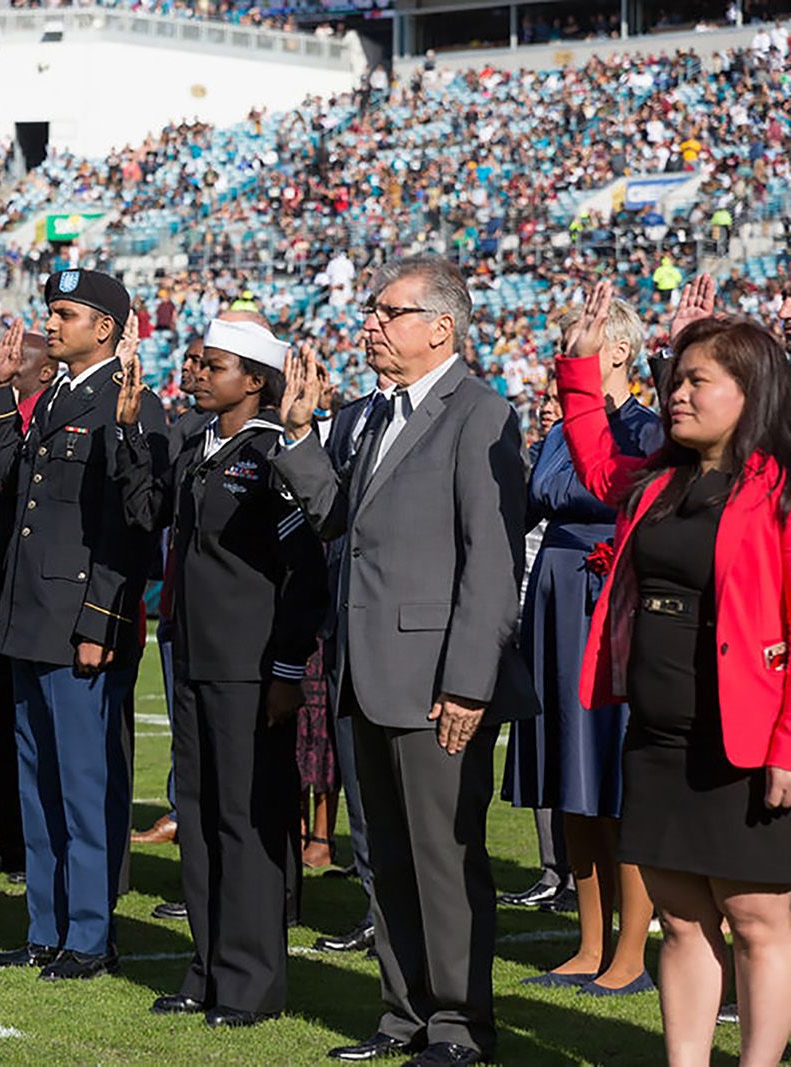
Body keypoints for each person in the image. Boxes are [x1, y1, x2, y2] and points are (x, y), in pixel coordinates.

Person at [272, 255, 538, 1067]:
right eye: (372, 311)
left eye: (388, 313)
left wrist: (466, 682)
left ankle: (458, 1025)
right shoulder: (377, 413)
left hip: (434, 685)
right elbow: (341, 526)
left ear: (440, 327)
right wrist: (296, 437)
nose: (371, 325)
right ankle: (402, 1015)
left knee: (444, 862)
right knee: (383, 860)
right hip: (366, 671)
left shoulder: (480, 413)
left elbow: (491, 562)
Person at [559, 280, 791, 1067]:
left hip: (748, 744)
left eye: (696, 381)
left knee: (759, 920)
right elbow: (595, 464)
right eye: (676, 377)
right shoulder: (657, 481)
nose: (676, 392)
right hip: (657, 736)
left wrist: (787, 746)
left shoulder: (779, 491)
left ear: (750, 393)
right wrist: (582, 371)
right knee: (683, 918)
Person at [117, 318, 328, 1027]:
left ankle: (251, 982)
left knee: (246, 822)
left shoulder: (275, 454)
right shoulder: (197, 446)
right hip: (194, 659)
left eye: (215, 365)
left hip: (251, 668)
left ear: (257, 381)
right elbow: (147, 518)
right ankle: (205, 969)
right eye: (199, 362)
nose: (198, 373)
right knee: (200, 820)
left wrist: (286, 666)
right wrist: (126, 435)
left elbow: (306, 573)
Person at [0, 268, 170, 980]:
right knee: (35, 782)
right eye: (50, 312)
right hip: (32, 616)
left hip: (78, 621)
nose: (48, 324)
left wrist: (99, 620)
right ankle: (45, 926)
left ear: (105, 328)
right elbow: (13, 497)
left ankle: (89, 933)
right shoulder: (54, 393)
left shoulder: (128, 403)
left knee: (84, 787)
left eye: (64, 313)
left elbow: (129, 528)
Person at [503, 296, 663, 996]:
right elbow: (533, 499)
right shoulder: (563, 428)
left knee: (614, 777)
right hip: (555, 595)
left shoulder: (647, 426)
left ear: (619, 351)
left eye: (578, 341)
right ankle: (589, 943)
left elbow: (618, 500)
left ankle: (631, 953)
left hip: (608, 599)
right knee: (571, 780)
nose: (563, 354)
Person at [312, 371, 394, 956]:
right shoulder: (352, 415)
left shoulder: (465, 410)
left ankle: (407, 920)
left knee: (406, 796)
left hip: (400, 630)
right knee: (360, 786)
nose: (373, 330)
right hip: (344, 617)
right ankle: (375, 909)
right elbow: (331, 513)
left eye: (389, 316)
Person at [0, 329, 53, 880]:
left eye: (18, 359)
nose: (6, 362)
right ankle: (2, 840)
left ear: (44, 372)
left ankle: (28, 845)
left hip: (23, 593)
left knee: (32, 734)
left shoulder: (43, 420)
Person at [135, 336, 208, 853]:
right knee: (186, 727)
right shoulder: (182, 427)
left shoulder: (261, 433)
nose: (191, 369)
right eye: (187, 362)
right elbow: (151, 507)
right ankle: (184, 813)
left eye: (204, 363)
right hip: (178, 605)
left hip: (231, 616)